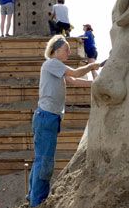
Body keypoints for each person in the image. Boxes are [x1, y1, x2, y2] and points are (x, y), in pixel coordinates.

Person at [27, 35, 100, 207]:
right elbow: (74, 73)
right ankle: (37, 201)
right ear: (56, 50)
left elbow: (73, 80)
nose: (69, 52)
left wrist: (96, 83)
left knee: (40, 159)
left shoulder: (55, 68)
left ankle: (32, 196)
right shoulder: (52, 63)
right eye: (66, 49)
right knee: (45, 161)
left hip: (47, 117)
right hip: (47, 117)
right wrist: (92, 66)